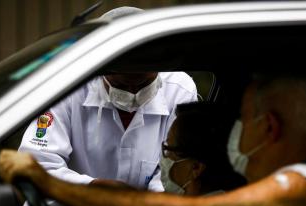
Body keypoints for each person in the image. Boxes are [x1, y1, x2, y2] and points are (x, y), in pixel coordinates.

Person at [0, 73, 306, 206]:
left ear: (268, 127)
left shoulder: (297, 188)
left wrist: (50, 183)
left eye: (242, 118)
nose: (232, 131)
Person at [18, 7, 197, 192]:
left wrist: (144, 203)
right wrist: (95, 189)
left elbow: (179, 171)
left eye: (142, 83)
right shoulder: (67, 87)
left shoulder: (179, 89)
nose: (133, 93)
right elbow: (37, 165)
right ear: (100, 70)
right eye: (123, 85)